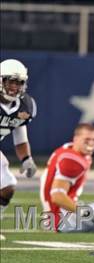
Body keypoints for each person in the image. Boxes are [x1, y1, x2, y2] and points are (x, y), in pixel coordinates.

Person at [0, 59, 38, 241]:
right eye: (10, 81)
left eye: (19, 82)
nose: (14, 87)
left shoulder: (25, 106)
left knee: (7, 187)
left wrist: (26, 159)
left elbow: (19, 132)